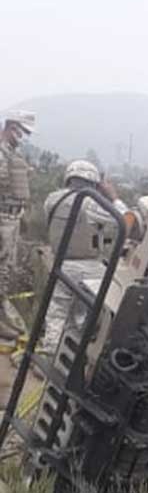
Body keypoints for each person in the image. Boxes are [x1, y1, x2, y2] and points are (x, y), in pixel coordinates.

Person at [40, 160, 126, 351]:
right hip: (90, 268)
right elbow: (124, 221)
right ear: (93, 182)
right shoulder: (91, 204)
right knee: (83, 318)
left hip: (61, 264)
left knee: (57, 314)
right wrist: (113, 197)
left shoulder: (52, 199)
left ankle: (50, 356)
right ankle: (73, 358)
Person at [0, 110, 36, 340]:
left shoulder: (11, 154)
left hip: (11, 216)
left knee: (5, 268)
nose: (22, 137)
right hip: (2, 216)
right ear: (11, 128)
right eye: (21, 132)